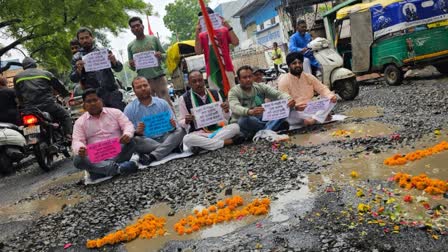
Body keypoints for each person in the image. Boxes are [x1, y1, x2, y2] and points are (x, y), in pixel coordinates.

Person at [72, 89, 138, 179]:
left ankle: (101, 171)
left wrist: (127, 134)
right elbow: (77, 140)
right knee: (77, 159)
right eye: (89, 101)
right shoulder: (80, 122)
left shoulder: (115, 112)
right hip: (97, 156)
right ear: (84, 105)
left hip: (118, 151)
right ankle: (119, 168)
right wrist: (80, 149)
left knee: (132, 141)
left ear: (101, 101)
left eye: (95, 100)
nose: (92, 103)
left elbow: (128, 125)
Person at [179, 70, 244, 154]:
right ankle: (228, 142)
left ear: (204, 80)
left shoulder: (215, 93)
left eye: (200, 80)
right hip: (199, 133)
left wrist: (226, 110)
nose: (198, 84)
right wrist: (186, 120)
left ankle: (202, 146)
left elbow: (226, 117)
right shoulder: (184, 98)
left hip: (218, 130)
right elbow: (181, 122)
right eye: (194, 82)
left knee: (235, 127)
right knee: (187, 139)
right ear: (189, 84)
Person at [124, 77, 185, 165]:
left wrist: (173, 125)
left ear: (150, 86)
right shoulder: (129, 109)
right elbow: (128, 132)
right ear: (134, 90)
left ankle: (152, 156)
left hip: (166, 136)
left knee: (181, 130)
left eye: (145, 85)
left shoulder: (162, 103)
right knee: (135, 140)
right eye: (139, 87)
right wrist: (137, 132)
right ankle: (172, 148)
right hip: (147, 141)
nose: (143, 89)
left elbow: (175, 125)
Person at [228, 65, 295, 139]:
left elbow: (278, 94)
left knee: (287, 106)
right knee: (244, 119)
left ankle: (264, 131)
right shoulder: (234, 91)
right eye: (244, 77)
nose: (248, 79)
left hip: (260, 118)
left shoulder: (260, 86)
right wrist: (249, 111)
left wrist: (289, 99)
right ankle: (272, 127)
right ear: (239, 79)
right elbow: (234, 107)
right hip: (245, 122)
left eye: (250, 76)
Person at [14, 57, 72, 137]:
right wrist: (65, 94)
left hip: (30, 109)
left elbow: (18, 94)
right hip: (48, 105)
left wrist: (22, 105)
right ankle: (68, 136)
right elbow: (58, 86)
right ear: (35, 64)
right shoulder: (45, 73)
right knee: (65, 115)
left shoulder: (17, 77)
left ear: (23, 66)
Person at [70, 27, 125, 111]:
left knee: (119, 118)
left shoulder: (104, 52)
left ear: (92, 37)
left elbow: (119, 68)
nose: (85, 40)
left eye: (87, 37)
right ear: (78, 40)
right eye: (82, 38)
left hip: (112, 92)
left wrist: (114, 61)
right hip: (93, 97)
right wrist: (78, 70)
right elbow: (73, 78)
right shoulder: (76, 57)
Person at [278, 52, 337, 126]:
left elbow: (322, 89)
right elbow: (283, 103)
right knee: (290, 116)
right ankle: (319, 118)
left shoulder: (309, 77)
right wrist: (295, 107)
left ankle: (314, 120)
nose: (298, 65)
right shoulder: (284, 81)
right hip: (297, 112)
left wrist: (330, 96)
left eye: (300, 63)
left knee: (331, 99)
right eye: (294, 63)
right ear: (289, 65)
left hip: (310, 108)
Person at [127, 17, 174, 109]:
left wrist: (160, 55)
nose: (136, 28)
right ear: (131, 30)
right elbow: (132, 67)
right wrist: (131, 64)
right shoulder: (130, 46)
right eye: (133, 27)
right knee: (150, 107)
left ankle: (173, 123)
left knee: (166, 104)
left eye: (138, 25)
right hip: (144, 82)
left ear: (142, 26)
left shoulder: (153, 39)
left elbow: (165, 55)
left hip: (159, 78)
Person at [195, 7, 239, 90]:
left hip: (227, 68)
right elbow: (198, 51)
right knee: (217, 97)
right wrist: (197, 32)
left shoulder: (224, 30)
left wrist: (227, 25)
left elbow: (236, 42)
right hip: (212, 71)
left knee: (233, 94)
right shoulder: (201, 35)